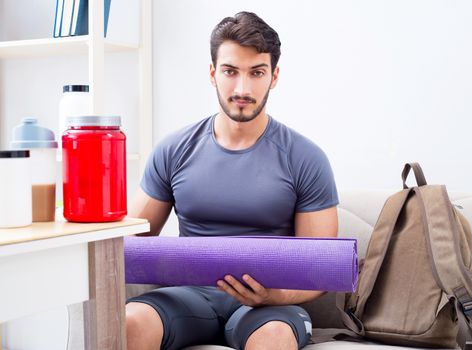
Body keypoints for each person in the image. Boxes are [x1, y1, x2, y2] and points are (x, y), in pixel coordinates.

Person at [126, 11, 339, 350]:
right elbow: (128, 241)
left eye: (256, 73)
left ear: (274, 76)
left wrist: (275, 294)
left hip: (270, 306)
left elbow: (322, 269)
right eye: (230, 71)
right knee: (129, 324)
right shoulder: (173, 150)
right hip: (188, 297)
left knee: (273, 339)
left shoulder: (305, 158)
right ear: (213, 73)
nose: (242, 88)